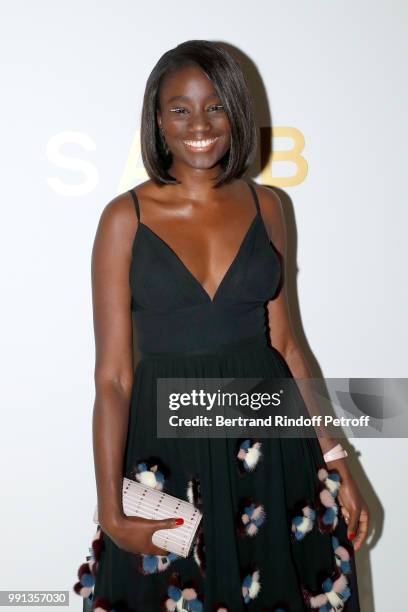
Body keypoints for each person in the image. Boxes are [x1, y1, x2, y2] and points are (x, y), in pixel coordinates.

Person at [73, 40, 369, 612]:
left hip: (271, 451)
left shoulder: (269, 207)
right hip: (169, 451)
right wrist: (111, 508)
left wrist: (337, 461)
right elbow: (111, 379)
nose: (199, 124)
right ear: (157, 123)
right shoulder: (124, 219)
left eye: (215, 105)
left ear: (236, 112)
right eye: (179, 109)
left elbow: (286, 346)